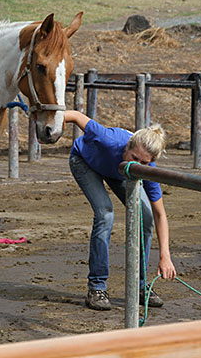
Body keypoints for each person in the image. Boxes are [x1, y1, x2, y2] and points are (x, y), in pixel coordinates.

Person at [64, 110, 177, 311]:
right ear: (127, 147)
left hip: (120, 173)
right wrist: (49, 120)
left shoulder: (146, 170)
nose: (138, 165)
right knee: (105, 214)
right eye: (134, 158)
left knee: (146, 216)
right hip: (85, 162)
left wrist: (165, 256)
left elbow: (160, 214)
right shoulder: (108, 138)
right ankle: (97, 288)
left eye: (143, 163)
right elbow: (74, 115)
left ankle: (139, 287)